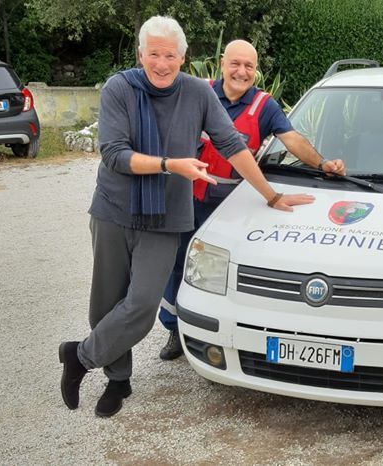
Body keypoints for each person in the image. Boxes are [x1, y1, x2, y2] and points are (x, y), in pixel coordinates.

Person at [57, 16, 314, 418]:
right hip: (114, 210)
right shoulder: (119, 88)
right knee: (107, 301)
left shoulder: (197, 92)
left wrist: (271, 194)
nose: (162, 64)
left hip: (167, 216)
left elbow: (231, 143)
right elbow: (114, 154)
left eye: (170, 55)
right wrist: (169, 165)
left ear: (183, 57)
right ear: (141, 54)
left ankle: (79, 355)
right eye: (154, 54)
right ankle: (118, 378)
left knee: (141, 305)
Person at [156, 39, 346, 360]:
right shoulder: (197, 92)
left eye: (249, 66)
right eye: (235, 64)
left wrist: (322, 164)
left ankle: (230, 334)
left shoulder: (264, 106)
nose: (241, 72)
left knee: (227, 271)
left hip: (232, 206)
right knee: (175, 264)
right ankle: (175, 329)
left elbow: (292, 139)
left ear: (256, 71)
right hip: (186, 199)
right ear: (221, 63)